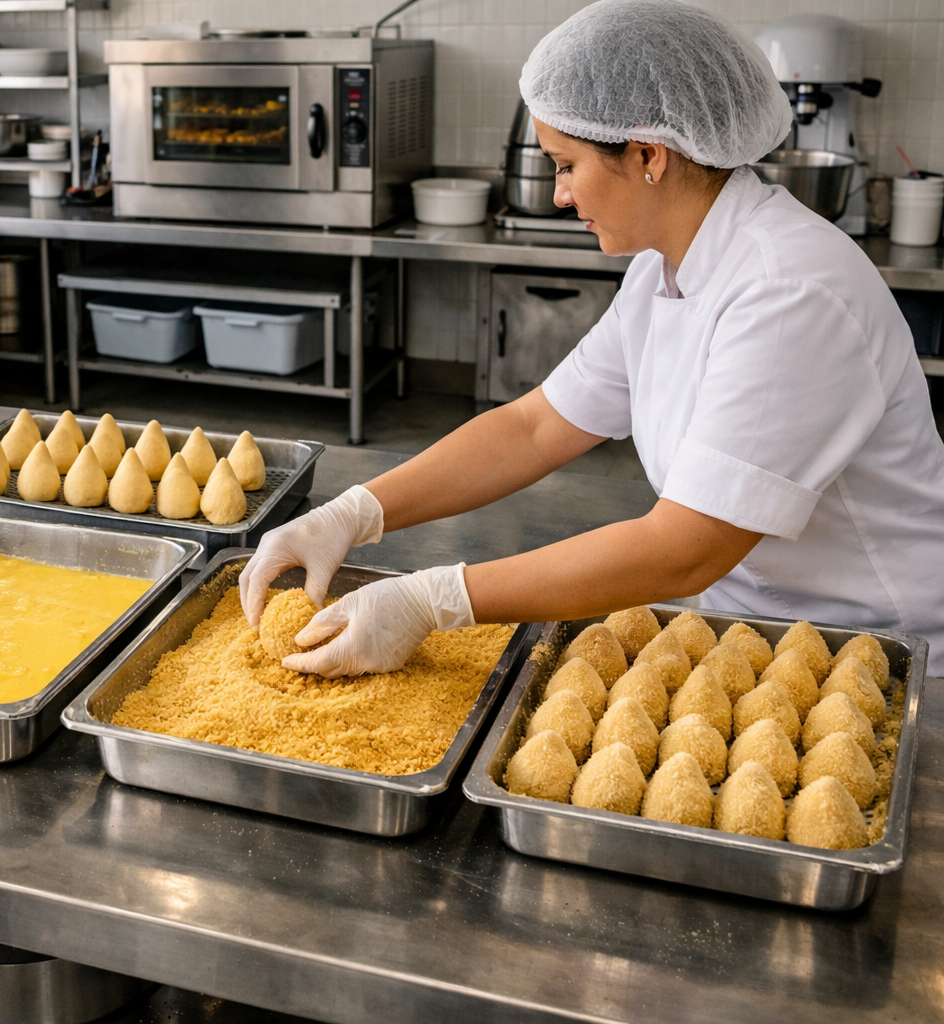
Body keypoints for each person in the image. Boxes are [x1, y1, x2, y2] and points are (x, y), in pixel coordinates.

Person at [240, 0, 944, 676]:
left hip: (881, 653)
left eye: (566, 164)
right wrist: (355, 513)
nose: (558, 194)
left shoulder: (791, 292)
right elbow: (536, 426)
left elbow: (682, 550)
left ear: (649, 154)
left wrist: (436, 600)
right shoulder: (663, 269)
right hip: (754, 631)